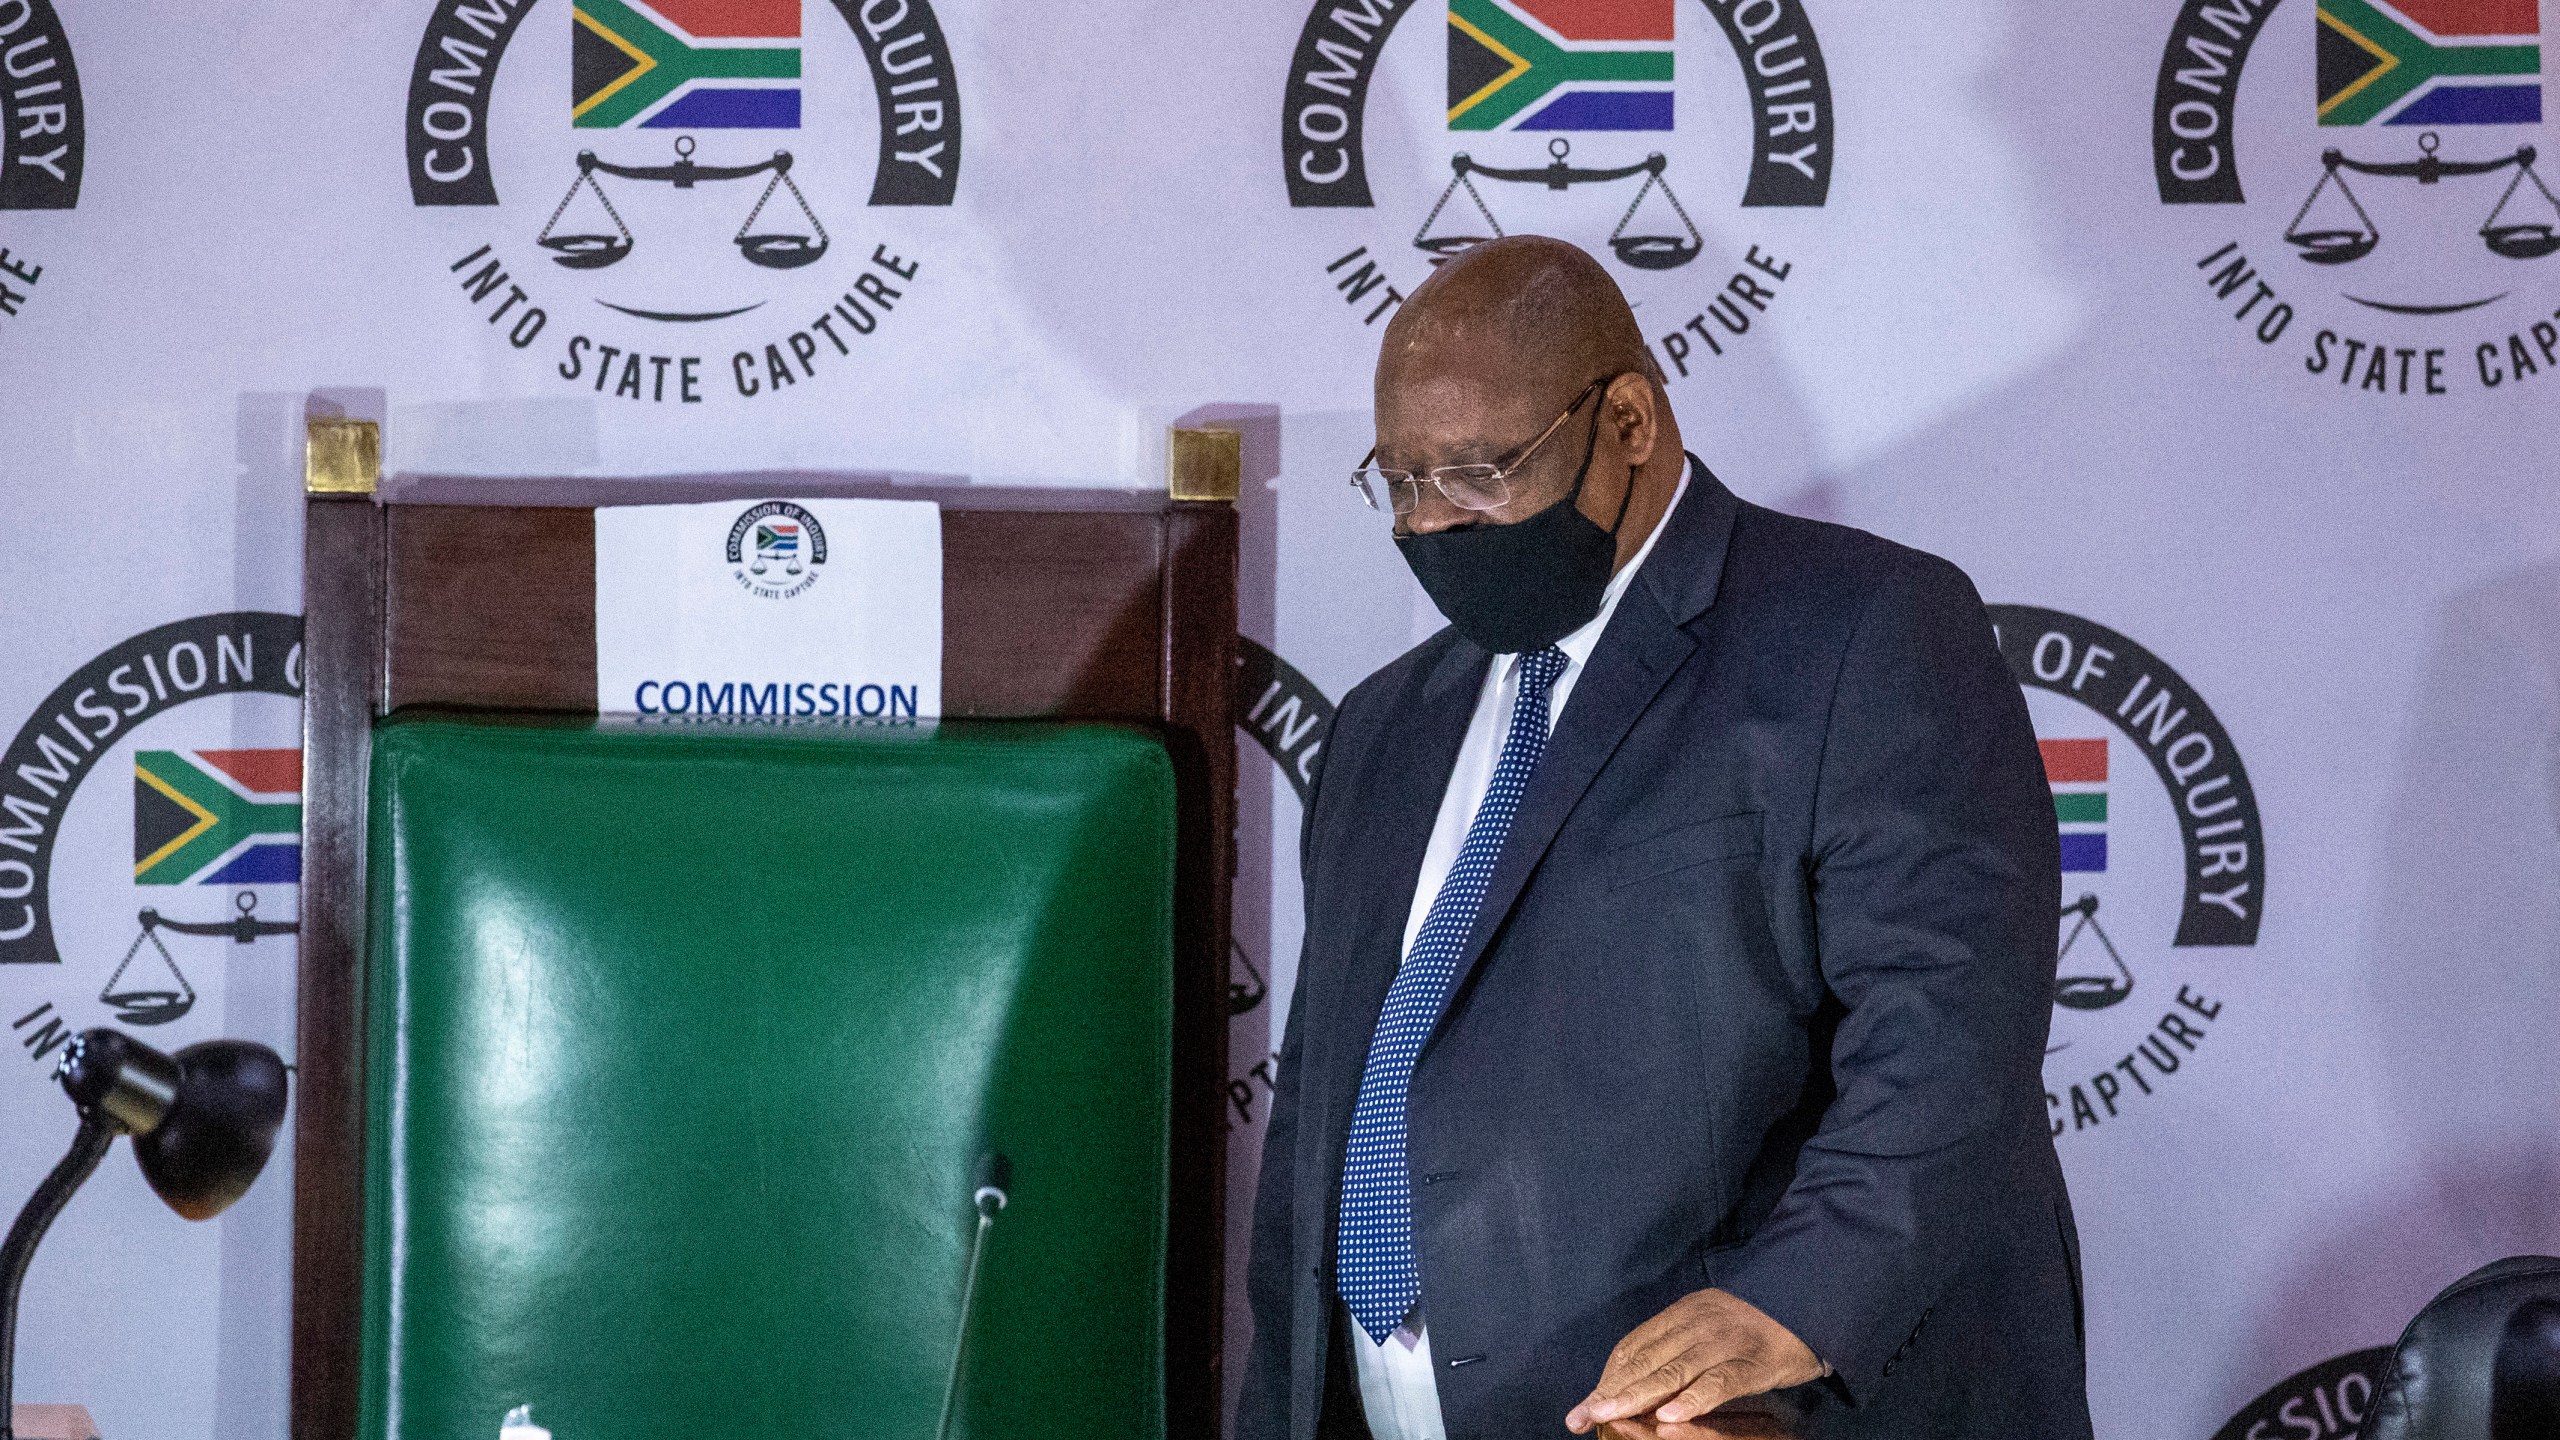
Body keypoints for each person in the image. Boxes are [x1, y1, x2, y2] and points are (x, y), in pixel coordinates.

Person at [1237, 236, 2091, 1440]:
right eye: (1403, 484)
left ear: (1629, 421)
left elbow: (1950, 1026)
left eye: (1479, 473)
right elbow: (1327, 1110)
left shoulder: (1864, 632)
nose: (1434, 523)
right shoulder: (1384, 725)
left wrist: (1787, 1308)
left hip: (1736, 1416)